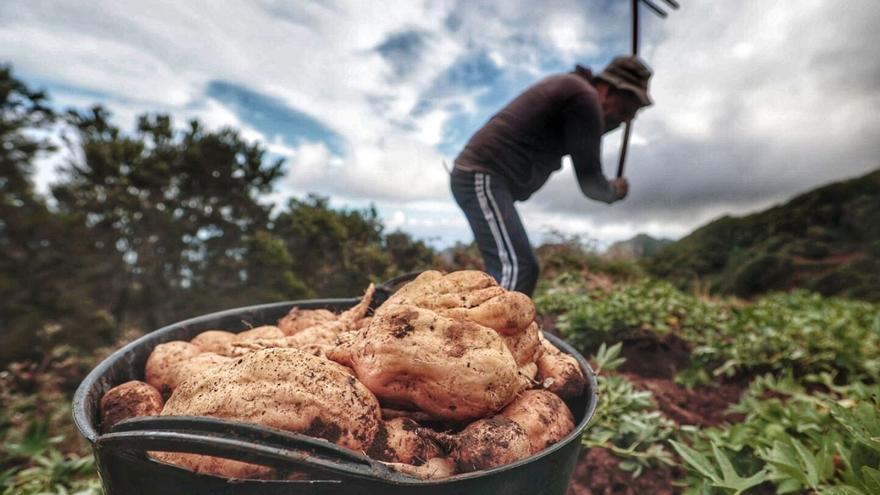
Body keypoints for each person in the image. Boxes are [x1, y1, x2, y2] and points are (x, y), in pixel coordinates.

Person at [450, 55, 653, 296]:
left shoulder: (575, 93)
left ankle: (475, 324)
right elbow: (591, 183)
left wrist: (611, 122)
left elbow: (589, 133)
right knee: (518, 268)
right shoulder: (584, 98)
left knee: (511, 267)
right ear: (607, 90)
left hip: (485, 179)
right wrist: (614, 191)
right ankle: (492, 332)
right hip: (481, 175)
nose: (626, 119)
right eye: (625, 109)